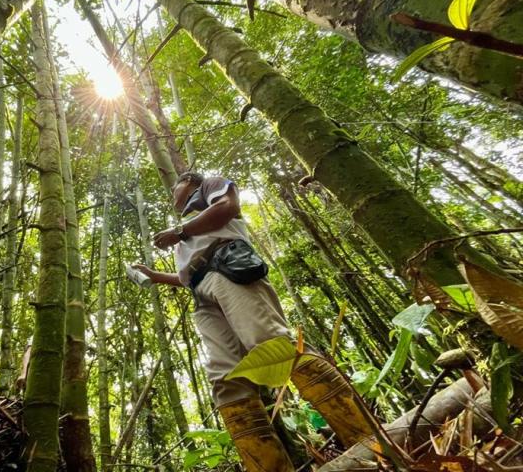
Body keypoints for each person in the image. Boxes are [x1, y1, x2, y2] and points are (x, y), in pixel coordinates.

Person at [135, 172, 375, 471]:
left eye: (175, 188)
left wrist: (180, 231)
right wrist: (156, 276)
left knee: (273, 345)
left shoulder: (209, 186)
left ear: (190, 181)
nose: (173, 195)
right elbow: (188, 274)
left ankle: (369, 441)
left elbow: (227, 207)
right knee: (225, 378)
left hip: (228, 268)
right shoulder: (188, 226)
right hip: (200, 291)